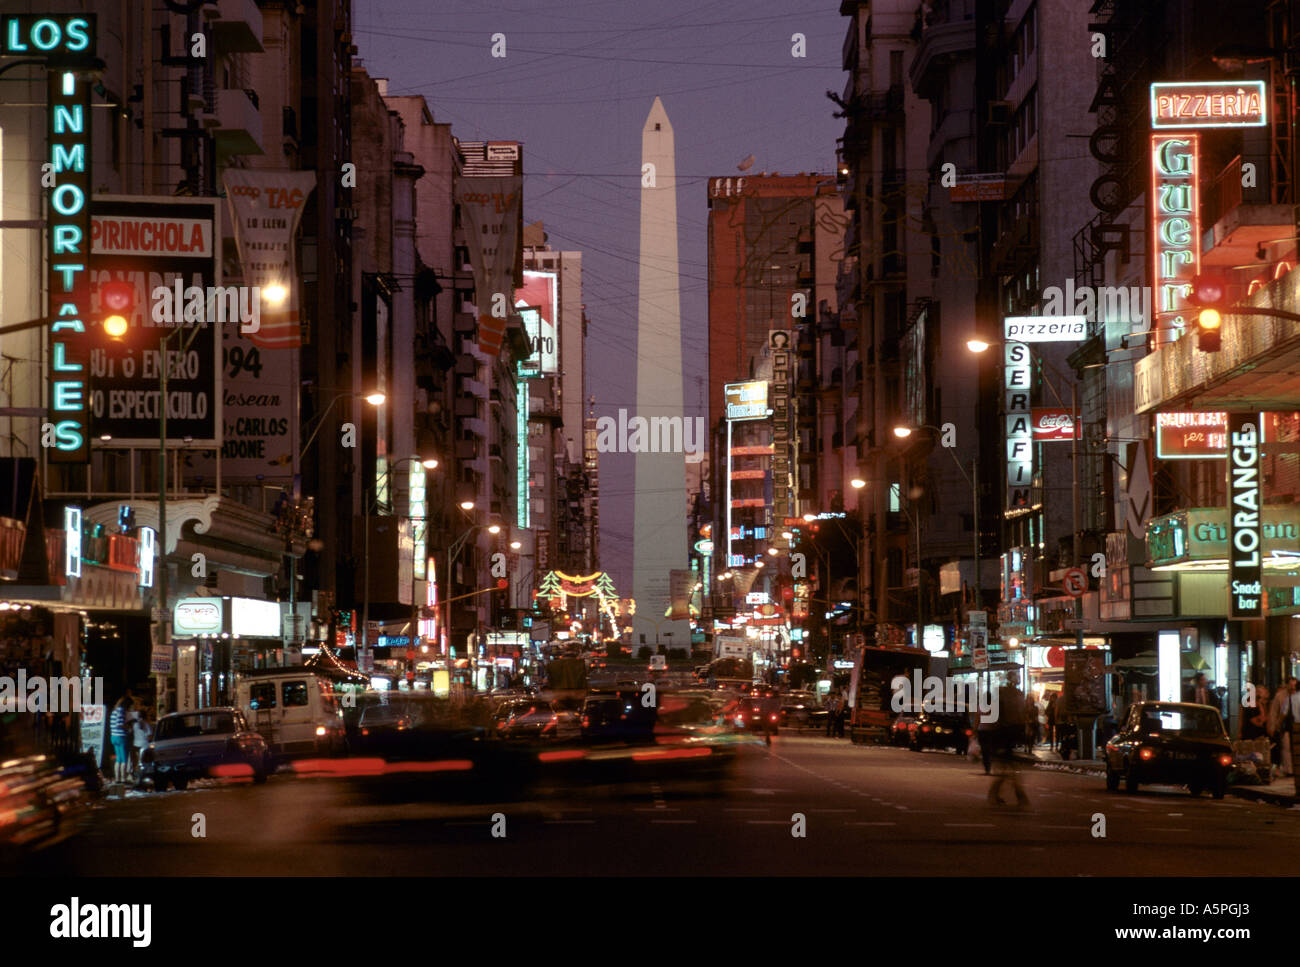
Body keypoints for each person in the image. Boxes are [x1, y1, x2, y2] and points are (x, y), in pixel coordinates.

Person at [108, 691, 133, 783]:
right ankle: (123, 778)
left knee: (118, 758)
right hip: (121, 736)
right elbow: (120, 724)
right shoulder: (121, 711)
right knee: (124, 758)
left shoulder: (114, 711)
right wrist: (128, 728)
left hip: (113, 736)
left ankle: (117, 778)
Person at [130, 709, 153, 782]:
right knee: (144, 762)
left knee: (136, 762)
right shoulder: (147, 724)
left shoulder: (135, 724)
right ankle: (144, 776)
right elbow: (150, 736)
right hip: (144, 745)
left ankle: (135, 777)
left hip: (136, 745)